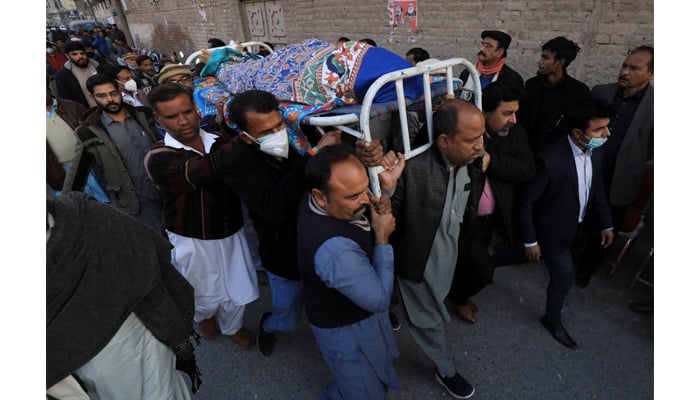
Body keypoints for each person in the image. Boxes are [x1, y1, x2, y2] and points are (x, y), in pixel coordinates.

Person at [217, 90, 342, 356]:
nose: (277, 134)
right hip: (283, 255)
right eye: (265, 131)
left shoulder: (297, 138)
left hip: (319, 245)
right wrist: (313, 156)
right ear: (245, 135)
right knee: (289, 315)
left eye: (278, 125)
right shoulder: (237, 161)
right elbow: (274, 207)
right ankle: (270, 325)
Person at [47, 191, 201, 399]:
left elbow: (150, 256)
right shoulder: (88, 213)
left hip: (148, 354)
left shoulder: (87, 215)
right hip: (142, 358)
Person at [144, 83, 259, 350]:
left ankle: (232, 327)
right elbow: (200, 171)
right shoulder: (157, 156)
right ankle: (204, 317)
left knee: (238, 285)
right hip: (192, 237)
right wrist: (245, 138)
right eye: (172, 116)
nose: (183, 121)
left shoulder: (218, 140)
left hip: (232, 230)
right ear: (158, 119)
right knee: (201, 290)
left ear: (197, 110)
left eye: (187, 112)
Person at [389, 98, 485, 399]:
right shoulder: (413, 170)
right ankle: (446, 370)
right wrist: (388, 186)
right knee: (429, 321)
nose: (480, 145)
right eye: (471, 139)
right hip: (418, 263)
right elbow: (386, 216)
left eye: (482, 137)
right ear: (444, 140)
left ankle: (386, 311)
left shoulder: (470, 163)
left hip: (448, 258)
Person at [297, 144, 403, 399]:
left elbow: (367, 200)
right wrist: (381, 237)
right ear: (321, 196)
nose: (365, 199)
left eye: (365, 187)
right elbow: (379, 300)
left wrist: (385, 187)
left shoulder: (319, 198)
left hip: (355, 314)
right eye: (353, 196)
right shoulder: (336, 251)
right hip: (347, 328)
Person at [517, 98, 615, 350]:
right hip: (551, 235)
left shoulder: (597, 150)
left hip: (576, 230)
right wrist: (531, 240)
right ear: (577, 133)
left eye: (607, 127)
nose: (607, 133)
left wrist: (606, 223)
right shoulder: (550, 160)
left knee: (510, 256)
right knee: (563, 278)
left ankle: (483, 267)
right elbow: (526, 201)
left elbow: (597, 188)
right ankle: (553, 321)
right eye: (599, 129)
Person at [447, 81, 536, 324]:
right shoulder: (462, 131)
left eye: (516, 112)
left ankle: (459, 292)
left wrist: (491, 160)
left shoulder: (515, 134)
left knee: (475, 265)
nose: (514, 120)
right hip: (464, 218)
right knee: (480, 270)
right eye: (507, 113)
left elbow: (528, 170)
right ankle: (458, 297)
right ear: (485, 113)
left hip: (492, 221)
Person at [575, 46, 654, 287]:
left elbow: (652, 148)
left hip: (621, 177)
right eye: (624, 65)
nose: (625, 71)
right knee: (576, 213)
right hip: (587, 166)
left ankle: (586, 269)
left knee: (606, 224)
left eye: (634, 68)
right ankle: (565, 256)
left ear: (651, 73)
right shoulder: (602, 92)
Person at [62, 73, 163, 233]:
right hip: (135, 203)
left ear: (120, 90)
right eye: (102, 96)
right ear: (92, 97)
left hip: (166, 191)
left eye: (113, 93)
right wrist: (63, 209)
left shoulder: (144, 116)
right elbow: (77, 172)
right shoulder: (90, 132)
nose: (109, 100)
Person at [518, 36, 591, 154]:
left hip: (555, 156)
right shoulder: (532, 85)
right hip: (525, 153)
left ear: (560, 62)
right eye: (542, 56)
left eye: (546, 58)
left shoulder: (578, 92)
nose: (540, 62)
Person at [458, 30, 524, 102]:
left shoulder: (511, 80)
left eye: (488, 46)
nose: (482, 49)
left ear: (499, 52)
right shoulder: (468, 72)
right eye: (482, 44)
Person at [54, 40, 103, 108]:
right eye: (75, 54)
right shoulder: (63, 76)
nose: (80, 56)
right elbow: (67, 100)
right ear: (68, 56)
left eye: (82, 53)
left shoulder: (99, 66)